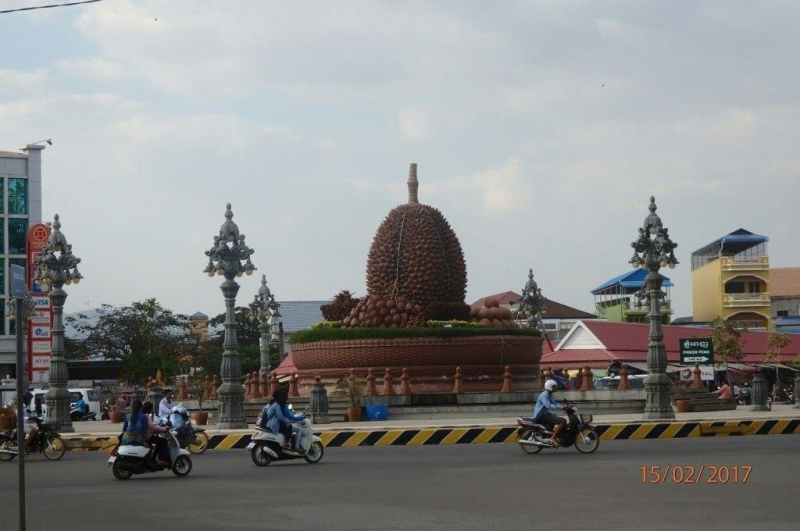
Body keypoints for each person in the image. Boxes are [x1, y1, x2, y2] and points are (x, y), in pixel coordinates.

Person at [533, 379, 566, 447]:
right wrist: (561, 408)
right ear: (549, 387)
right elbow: (548, 405)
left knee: (555, 417)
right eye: (554, 387)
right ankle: (553, 437)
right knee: (562, 421)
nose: (555, 388)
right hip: (541, 416)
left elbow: (553, 402)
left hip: (544, 414)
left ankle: (551, 436)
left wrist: (563, 406)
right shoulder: (544, 395)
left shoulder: (548, 394)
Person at [142, 401, 171, 466]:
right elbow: (152, 426)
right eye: (152, 408)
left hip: (145, 435)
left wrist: (152, 415)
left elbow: (151, 425)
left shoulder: (144, 415)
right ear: (149, 409)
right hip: (147, 436)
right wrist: (164, 428)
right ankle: (161, 459)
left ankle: (153, 458)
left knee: (158, 441)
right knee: (163, 441)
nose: (153, 409)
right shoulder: (147, 415)